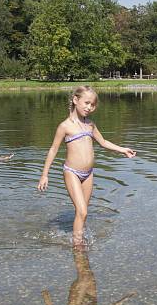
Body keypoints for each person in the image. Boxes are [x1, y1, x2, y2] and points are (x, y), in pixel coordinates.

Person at [38, 86, 136, 246]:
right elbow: (53, 149)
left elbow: (103, 142)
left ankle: (79, 240)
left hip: (88, 174)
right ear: (76, 100)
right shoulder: (65, 126)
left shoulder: (90, 124)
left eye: (92, 105)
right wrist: (44, 175)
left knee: (83, 212)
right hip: (72, 173)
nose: (89, 107)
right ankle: (78, 247)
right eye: (86, 103)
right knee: (82, 211)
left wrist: (122, 149)